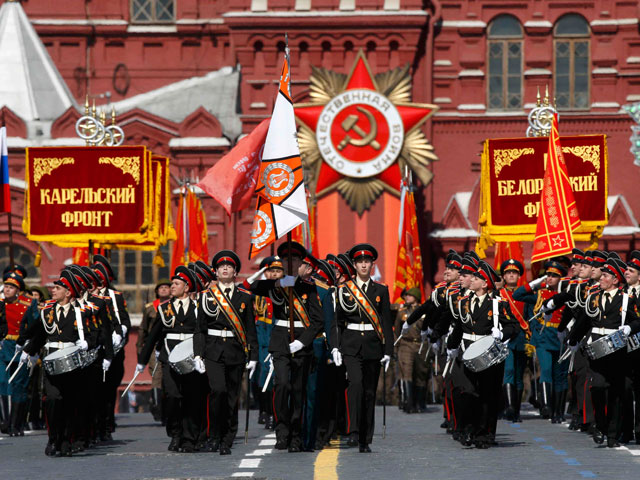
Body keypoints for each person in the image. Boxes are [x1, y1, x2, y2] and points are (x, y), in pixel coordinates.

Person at [249, 241, 324, 452]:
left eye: (295, 260)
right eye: (286, 260)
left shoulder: (309, 288)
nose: (290, 263)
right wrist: (265, 273)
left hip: (301, 342)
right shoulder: (273, 286)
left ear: (301, 263)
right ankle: (282, 431)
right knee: (282, 385)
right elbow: (245, 287)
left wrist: (302, 341)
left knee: (298, 390)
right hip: (280, 340)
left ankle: (296, 435)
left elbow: (318, 320)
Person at [567, 258, 640, 447]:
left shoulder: (626, 299)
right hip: (596, 351)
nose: (601, 279)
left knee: (616, 392)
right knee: (597, 387)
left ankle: (613, 435)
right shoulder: (593, 297)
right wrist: (573, 340)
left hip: (617, 352)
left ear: (615, 280)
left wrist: (629, 329)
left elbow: (637, 321)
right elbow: (583, 321)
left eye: (605, 276)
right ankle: (599, 425)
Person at [446, 261, 520, 449]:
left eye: (477, 278)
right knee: (467, 392)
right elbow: (459, 327)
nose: (472, 280)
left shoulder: (497, 304)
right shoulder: (464, 302)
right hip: (467, 352)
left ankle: (485, 434)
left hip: (489, 355)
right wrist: (451, 346)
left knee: (488, 395)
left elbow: (514, 327)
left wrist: (502, 334)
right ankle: (468, 429)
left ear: (485, 284)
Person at [20, 270, 94, 457]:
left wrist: (88, 343)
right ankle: (53, 439)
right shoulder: (47, 312)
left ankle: (66, 440)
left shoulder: (82, 313)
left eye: (58, 288)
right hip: (52, 361)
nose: (53, 290)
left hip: (73, 364)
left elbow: (95, 335)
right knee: (53, 401)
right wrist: (28, 351)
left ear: (68, 292)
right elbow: (39, 335)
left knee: (70, 403)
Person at [331, 244, 393, 453]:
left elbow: (386, 322)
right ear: (355, 265)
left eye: (367, 262)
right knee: (355, 385)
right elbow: (338, 322)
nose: (364, 265)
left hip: (373, 346)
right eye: (360, 262)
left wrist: (388, 351)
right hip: (350, 344)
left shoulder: (381, 290)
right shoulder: (344, 290)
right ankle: (353, 431)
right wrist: (335, 347)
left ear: (372, 265)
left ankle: (365, 438)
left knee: (369, 392)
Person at [195, 250, 258, 455]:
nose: (225, 269)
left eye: (229, 267)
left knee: (232, 397)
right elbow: (200, 329)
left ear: (235, 272)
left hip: (236, 352)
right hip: (213, 351)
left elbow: (250, 329)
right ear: (215, 271)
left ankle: (227, 439)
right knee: (218, 391)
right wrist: (198, 354)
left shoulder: (245, 297)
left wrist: (254, 356)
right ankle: (214, 435)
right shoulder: (206, 297)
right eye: (221, 266)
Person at [136, 266, 204, 452]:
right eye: (172, 283)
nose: (172, 286)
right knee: (172, 397)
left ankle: (189, 438)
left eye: (176, 284)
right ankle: (175, 434)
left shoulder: (198, 308)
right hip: (169, 357)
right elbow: (154, 335)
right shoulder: (164, 308)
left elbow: (201, 333)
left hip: (191, 357)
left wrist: (200, 355)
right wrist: (142, 360)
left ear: (187, 287)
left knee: (191, 398)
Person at [513, 260, 569, 422]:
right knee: (546, 370)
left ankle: (559, 412)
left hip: (561, 336)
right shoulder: (540, 294)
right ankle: (547, 406)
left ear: (561, 278)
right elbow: (518, 295)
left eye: (554, 276)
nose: (550, 278)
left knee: (560, 375)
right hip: (544, 336)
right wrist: (535, 283)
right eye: (548, 275)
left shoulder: (566, 294)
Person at [0, 268, 39, 436]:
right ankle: (6, 422)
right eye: (5, 286)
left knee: (19, 386)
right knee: (3, 382)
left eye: (11, 287)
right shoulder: (1, 304)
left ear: (18, 290)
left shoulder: (28, 304)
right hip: (3, 348)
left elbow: (36, 326)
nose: (7, 289)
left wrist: (31, 348)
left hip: (21, 347)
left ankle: (16, 425)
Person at [499, 259, 528, 423]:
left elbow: (530, 315)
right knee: (508, 370)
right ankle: (509, 407)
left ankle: (516, 411)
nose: (511, 275)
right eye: (508, 272)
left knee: (519, 374)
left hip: (523, 337)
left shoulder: (524, 294)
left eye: (514, 272)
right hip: (507, 338)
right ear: (503, 276)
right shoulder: (499, 294)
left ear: (518, 276)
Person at [138, 279, 171, 423]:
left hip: (170, 345)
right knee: (157, 376)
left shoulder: (174, 305)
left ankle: (168, 407)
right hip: (153, 347)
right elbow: (143, 330)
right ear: (156, 291)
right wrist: (141, 351)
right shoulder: (150, 308)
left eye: (166, 287)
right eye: (161, 288)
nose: (164, 290)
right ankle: (158, 407)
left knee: (168, 378)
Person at [394, 287, 429, 414]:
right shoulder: (402, 312)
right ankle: (408, 403)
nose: (406, 297)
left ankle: (420, 403)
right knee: (406, 372)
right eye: (406, 296)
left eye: (409, 295)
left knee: (421, 373)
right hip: (406, 345)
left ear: (416, 297)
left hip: (421, 345)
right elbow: (397, 331)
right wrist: (396, 348)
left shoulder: (425, 311)